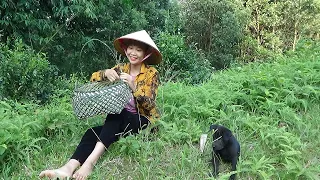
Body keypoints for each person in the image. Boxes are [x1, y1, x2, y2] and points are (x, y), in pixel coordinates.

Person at [39, 30, 162, 180]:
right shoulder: (121, 68)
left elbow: (150, 105)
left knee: (117, 113)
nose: (133, 53)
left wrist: (133, 86)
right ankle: (67, 168)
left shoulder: (151, 73)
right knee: (92, 132)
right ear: (126, 49)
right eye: (131, 48)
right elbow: (93, 78)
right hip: (119, 121)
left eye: (139, 49)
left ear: (146, 53)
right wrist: (106, 73)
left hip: (142, 121)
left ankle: (90, 163)